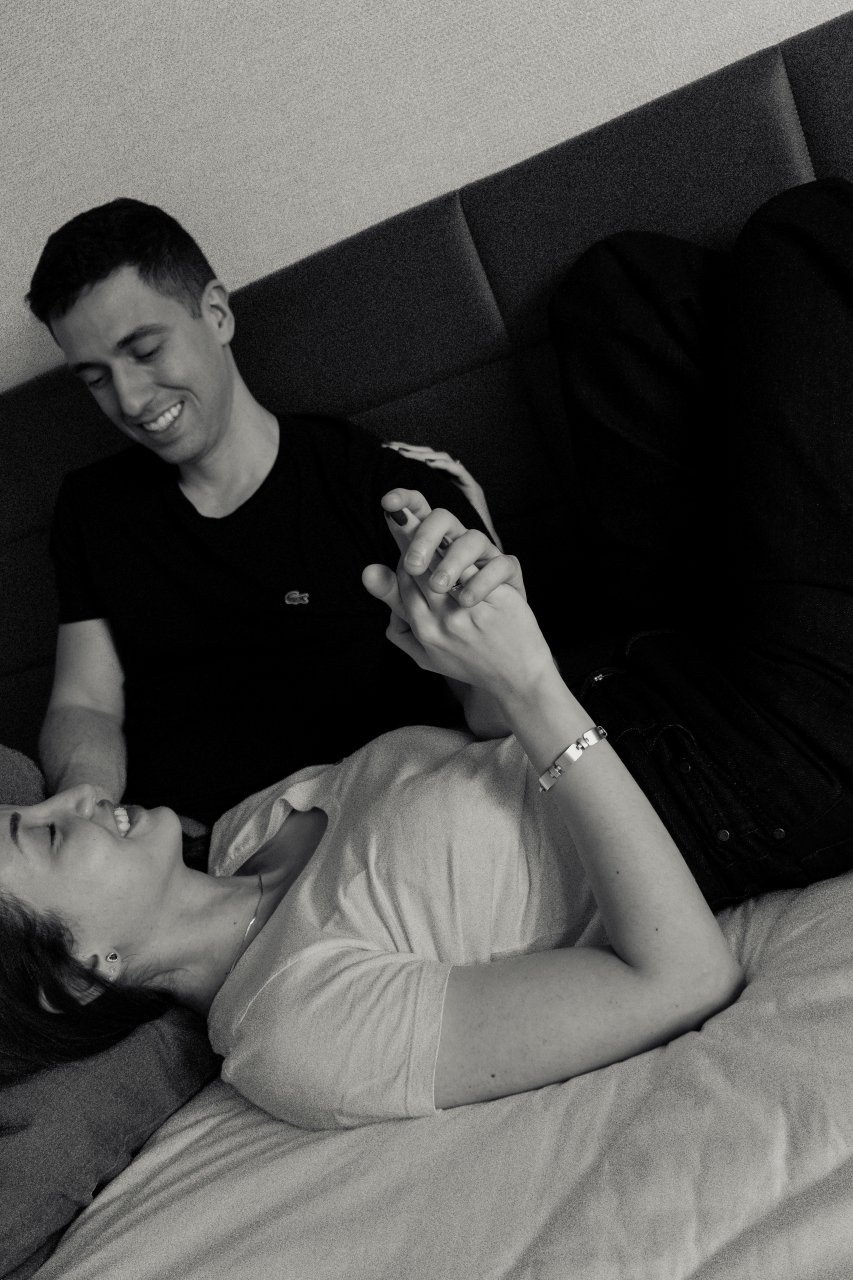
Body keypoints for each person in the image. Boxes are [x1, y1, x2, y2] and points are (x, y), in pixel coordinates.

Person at [0, 489, 745, 1124]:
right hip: (733, 781)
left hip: (649, 674)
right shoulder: (295, 1029)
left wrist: (468, 639)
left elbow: (495, 762)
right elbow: (680, 979)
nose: (73, 795)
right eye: (47, 838)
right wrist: (530, 685)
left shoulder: (245, 831)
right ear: (81, 972)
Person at [26, 199, 497, 829]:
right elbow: (85, 703)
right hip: (188, 853)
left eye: (145, 350)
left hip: (382, 829)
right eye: (95, 378)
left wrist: (497, 630)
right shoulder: (94, 508)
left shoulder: (383, 489)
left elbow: (497, 710)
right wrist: (91, 807)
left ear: (217, 314)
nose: (130, 401)